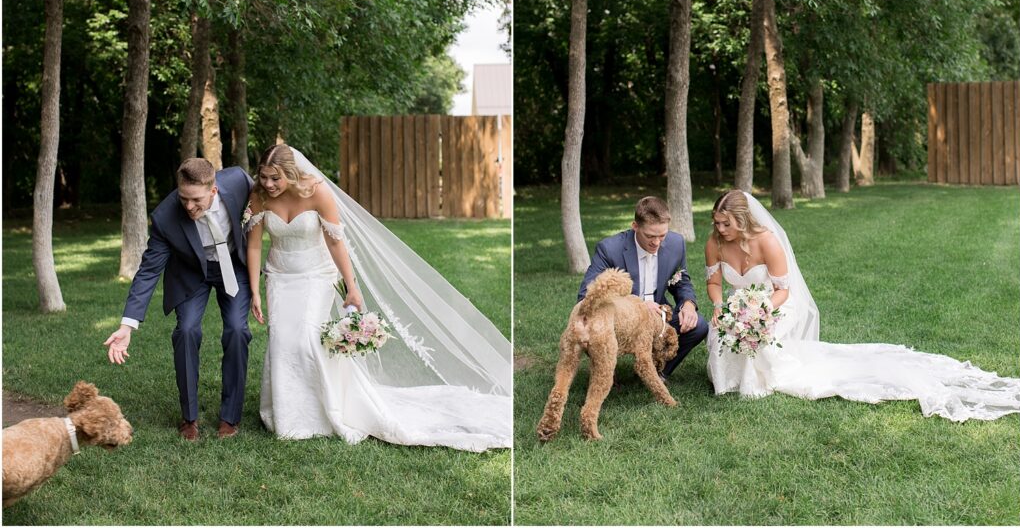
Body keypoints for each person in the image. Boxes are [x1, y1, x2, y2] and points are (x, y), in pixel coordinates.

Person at [245, 144, 511, 450]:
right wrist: (255, 289)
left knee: (306, 338)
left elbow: (335, 244)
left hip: (316, 275)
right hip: (280, 277)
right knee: (281, 340)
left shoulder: (317, 193)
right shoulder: (259, 197)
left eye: (275, 179)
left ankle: (323, 412)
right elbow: (254, 245)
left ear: (292, 175)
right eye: (264, 177)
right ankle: (287, 413)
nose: (268, 184)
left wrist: (352, 286)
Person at [704, 189, 1020, 421]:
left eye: (725, 224)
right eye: (717, 223)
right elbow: (715, 284)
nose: (720, 229)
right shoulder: (714, 244)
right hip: (739, 305)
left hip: (776, 305)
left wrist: (760, 313)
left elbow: (783, 292)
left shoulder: (767, 242)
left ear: (743, 220)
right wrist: (721, 308)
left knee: (759, 339)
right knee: (723, 335)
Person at [103, 158, 254, 440]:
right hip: (190, 273)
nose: (188, 206)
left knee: (237, 329)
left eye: (196, 200)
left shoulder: (238, 182)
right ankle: (189, 417)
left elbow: (269, 195)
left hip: (232, 265)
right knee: (186, 331)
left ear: (214, 191)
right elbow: (148, 271)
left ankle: (230, 417)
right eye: (183, 198)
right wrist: (127, 326)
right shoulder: (165, 217)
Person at [577, 196, 709, 379]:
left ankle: (657, 372)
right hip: (621, 319)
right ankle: (605, 373)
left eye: (662, 235)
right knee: (591, 322)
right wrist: (637, 305)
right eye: (650, 236)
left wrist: (688, 303)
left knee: (699, 326)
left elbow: (681, 281)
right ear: (635, 226)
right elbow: (586, 295)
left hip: (659, 316)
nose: (657, 242)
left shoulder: (676, 243)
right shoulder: (610, 249)